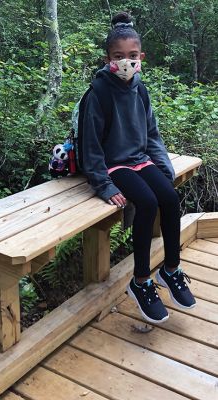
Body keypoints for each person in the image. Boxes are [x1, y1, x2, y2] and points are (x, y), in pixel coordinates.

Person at [82, 11, 196, 324]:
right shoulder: (99, 93)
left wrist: (164, 169)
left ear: (141, 56)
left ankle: (170, 270)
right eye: (119, 57)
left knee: (169, 198)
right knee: (146, 202)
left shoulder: (140, 89)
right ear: (108, 59)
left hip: (140, 158)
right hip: (114, 165)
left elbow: (152, 134)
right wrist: (104, 185)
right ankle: (141, 280)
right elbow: (89, 145)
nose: (126, 62)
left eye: (132, 56)